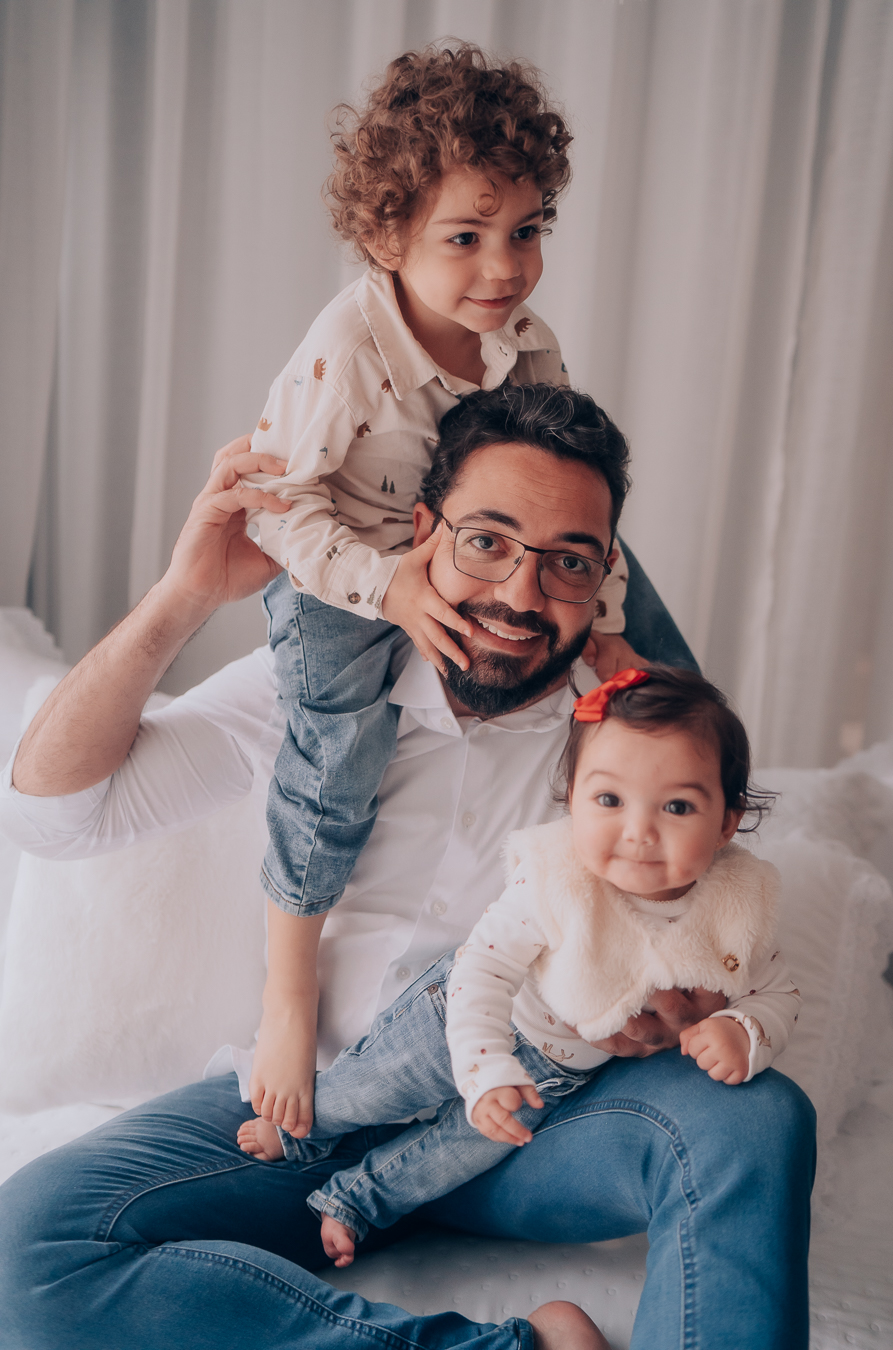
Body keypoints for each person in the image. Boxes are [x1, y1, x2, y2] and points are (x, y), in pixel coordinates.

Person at [0, 384, 814, 1350]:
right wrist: (185, 597)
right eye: (488, 540)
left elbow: (709, 921)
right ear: (424, 532)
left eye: (568, 562)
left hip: (530, 1118)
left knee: (755, 1118)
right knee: (29, 1250)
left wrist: (684, 1004)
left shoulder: (628, 752)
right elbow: (51, 816)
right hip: (306, 1105)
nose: (522, 594)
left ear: (604, 580)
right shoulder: (319, 694)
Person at [237, 45, 642, 1142]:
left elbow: (570, 474)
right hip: (340, 569)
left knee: (614, 581)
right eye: (465, 237)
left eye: (528, 229)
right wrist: (389, 589)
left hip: (467, 548)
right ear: (387, 238)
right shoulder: (349, 349)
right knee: (338, 753)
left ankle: (674, 798)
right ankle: (288, 992)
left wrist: (608, 632)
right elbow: (274, 506)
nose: (503, 267)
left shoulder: (526, 341)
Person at [237, 665, 801, 1269]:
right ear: (573, 799)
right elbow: (483, 969)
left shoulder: (734, 909)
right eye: (609, 800)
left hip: (554, 1075)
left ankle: (356, 1199)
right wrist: (483, 1069)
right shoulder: (557, 882)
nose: (639, 832)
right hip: (471, 1018)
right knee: (372, 1089)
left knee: (454, 1153)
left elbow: (780, 992)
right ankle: (302, 1130)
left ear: (726, 822)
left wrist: (744, 1031)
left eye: (678, 806)